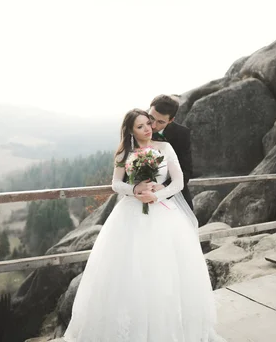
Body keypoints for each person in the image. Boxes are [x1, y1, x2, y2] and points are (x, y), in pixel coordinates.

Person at [63, 109, 223, 342]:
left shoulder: (165, 148)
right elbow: (116, 184)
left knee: (164, 272)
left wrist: (157, 196)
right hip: (130, 214)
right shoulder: (124, 153)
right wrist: (135, 190)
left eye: (148, 123)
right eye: (140, 126)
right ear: (130, 130)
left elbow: (178, 182)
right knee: (130, 273)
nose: (147, 128)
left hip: (163, 215)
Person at [147, 94, 194, 210]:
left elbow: (186, 171)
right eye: (151, 118)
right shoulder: (135, 128)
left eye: (160, 122)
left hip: (173, 197)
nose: (153, 126)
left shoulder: (181, 134)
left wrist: (163, 188)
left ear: (171, 120)